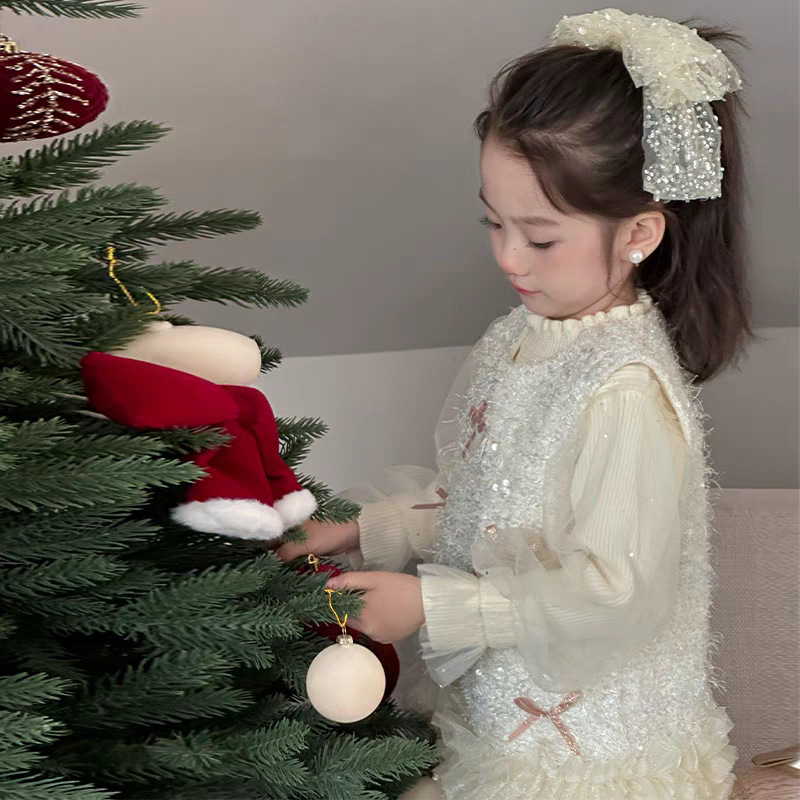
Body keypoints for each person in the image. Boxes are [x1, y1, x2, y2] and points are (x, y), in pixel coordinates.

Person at [277, 8, 752, 797]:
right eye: (493, 222)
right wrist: (366, 528)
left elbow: (614, 595)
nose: (506, 257)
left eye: (538, 237)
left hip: (586, 765)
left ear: (639, 232)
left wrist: (432, 605)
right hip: (499, 729)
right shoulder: (522, 336)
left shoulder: (624, 391)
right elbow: (494, 506)